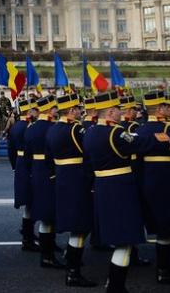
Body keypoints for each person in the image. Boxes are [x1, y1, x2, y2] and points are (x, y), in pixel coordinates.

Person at [83, 91, 170, 293]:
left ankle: (115, 285)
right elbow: (142, 144)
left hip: (103, 185)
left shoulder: (91, 131)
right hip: (119, 187)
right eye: (118, 109)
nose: (122, 113)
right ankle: (116, 286)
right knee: (125, 241)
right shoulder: (116, 132)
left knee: (120, 238)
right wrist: (168, 139)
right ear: (110, 111)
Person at [135, 89, 170, 285]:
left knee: (163, 225)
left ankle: (164, 267)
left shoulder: (140, 129)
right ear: (160, 108)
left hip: (149, 180)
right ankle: (164, 271)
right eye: (169, 106)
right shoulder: (169, 129)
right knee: (169, 225)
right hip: (168, 181)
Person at [44, 93, 97, 288]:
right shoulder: (76, 129)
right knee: (81, 226)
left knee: (77, 224)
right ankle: (73, 272)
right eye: (79, 109)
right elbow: (89, 153)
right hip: (78, 179)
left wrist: (55, 176)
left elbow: (48, 158)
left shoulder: (52, 129)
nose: (81, 112)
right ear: (72, 110)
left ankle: (71, 262)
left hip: (62, 178)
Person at [27, 95, 65, 269]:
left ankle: (47, 250)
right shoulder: (53, 127)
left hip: (36, 170)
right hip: (50, 170)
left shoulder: (32, 127)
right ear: (51, 109)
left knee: (45, 215)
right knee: (49, 215)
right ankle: (47, 255)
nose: (57, 110)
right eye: (55, 108)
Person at [9, 98, 39, 252]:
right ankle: (27, 237)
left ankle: (27, 233)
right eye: (35, 109)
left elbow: (10, 150)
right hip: (30, 163)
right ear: (29, 111)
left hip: (20, 163)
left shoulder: (15, 126)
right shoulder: (29, 126)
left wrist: (15, 166)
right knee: (32, 201)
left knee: (28, 202)